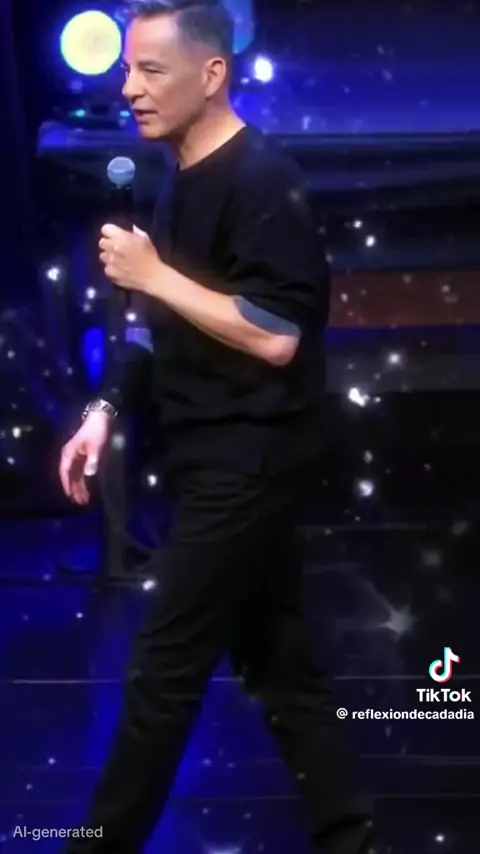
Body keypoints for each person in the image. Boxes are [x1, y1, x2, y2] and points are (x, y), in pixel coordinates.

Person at [59, 1, 375, 852]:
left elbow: (276, 334)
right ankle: (350, 835)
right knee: (280, 664)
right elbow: (152, 329)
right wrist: (103, 410)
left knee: (163, 669)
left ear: (211, 75)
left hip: (251, 457)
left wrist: (156, 275)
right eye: (126, 69)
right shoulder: (180, 176)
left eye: (150, 70)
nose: (130, 88)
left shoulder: (263, 181)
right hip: (207, 452)